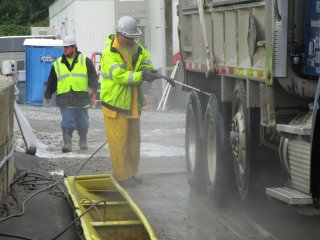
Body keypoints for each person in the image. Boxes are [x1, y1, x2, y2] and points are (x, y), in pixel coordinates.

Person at [100, 16, 159, 186]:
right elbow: (119, 76)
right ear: (119, 34)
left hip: (132, 104)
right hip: (115, 105)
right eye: (129, 36)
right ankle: (123, 177)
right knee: (119, 143)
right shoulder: (110, 53)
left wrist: (148, 70)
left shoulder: (136, 47)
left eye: (133, 37)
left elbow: (145, 60)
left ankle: (131, 173)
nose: (131, 40)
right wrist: (142, 76)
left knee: (133, 142)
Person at [44, 36, 98, 153]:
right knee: (67, 122)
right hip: (65, 99)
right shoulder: (57, 63)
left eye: (67, 47)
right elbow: (52, 80)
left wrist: (93, 88)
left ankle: (83, 139)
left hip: (82, 98)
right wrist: (48, 93)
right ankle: (67, 143)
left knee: (83, 123)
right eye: (64, 47)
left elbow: (93, 77)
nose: (64, 49)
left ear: (74, 47)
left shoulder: (85, 61)